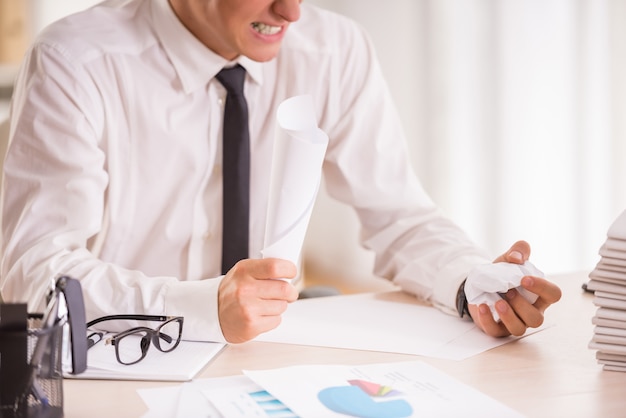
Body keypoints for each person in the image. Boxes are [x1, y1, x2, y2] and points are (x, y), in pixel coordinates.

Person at [0, 0, 561, 344]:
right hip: (126, 355)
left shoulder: (334, 48)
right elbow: (34, 272)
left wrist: (473, 283)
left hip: (273, 360)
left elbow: (399, 215)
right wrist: (202, 307)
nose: (292, 12)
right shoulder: (74, 61)